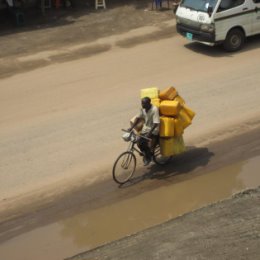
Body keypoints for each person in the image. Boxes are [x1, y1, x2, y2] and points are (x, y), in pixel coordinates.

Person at [129, 97, 160, 166]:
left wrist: (149, 133)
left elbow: (156, 123)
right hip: (145, 129)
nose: (142, 105)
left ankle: (150, 156)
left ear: (149, 103)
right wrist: (131, 127)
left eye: (144, 103)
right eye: (142, 103)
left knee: (149, 144)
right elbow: (138, 118)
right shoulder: (143, 109)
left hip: (154, 129)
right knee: (139, 142)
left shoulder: (154, 109)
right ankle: (146, 154)